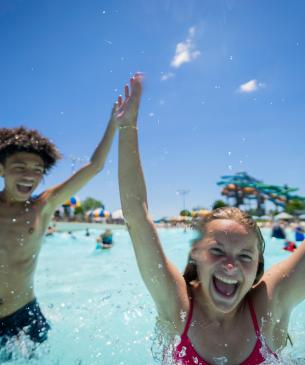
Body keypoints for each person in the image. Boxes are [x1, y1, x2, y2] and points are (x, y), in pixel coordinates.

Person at [116, 74, 305, 364]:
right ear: (196, 256)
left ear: (257, 269)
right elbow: (137, 218)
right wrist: (127, 127)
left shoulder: (269, 305)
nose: (230, 266)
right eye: (217, 251)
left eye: (245, 256)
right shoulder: (176, 304)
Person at [0, 108, 117, 358]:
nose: (29, 176)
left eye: (37, 169)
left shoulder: (42, 207)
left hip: (25, 314)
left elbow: (95, 166)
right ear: (1, 169)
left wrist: (114, 124)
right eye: (19, 167)